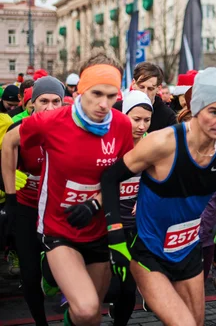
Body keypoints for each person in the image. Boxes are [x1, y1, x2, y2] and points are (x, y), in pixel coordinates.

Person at [100, 68, 216, 326]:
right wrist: (114, 235)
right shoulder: (163, 143)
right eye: (214, 112)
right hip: (148, 252)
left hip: (188, 251)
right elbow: (110, 178)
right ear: (196, 110)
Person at [1, 57, 134, 326]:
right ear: (79, 92)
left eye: (111, 95)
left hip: (99, 229)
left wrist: (95, 204)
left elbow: (123, 174)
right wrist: (12, 195)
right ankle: (50, 273)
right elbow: (9, 143)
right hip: (59, 228)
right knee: (85, 309)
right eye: (96, 93)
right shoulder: (52, 121)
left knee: (92, 313)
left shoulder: (121, 125)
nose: (103, 104)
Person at [1, 76, 65, 326]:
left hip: (59, 210)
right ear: (32, 103)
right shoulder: (18, 130)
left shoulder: (73, 128)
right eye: (43, 101)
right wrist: (9, 194)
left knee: (62, 273)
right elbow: (4, 164)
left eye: (55, 101)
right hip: (28, 207)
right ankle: (41, 323)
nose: (50, 107)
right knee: (29, 276)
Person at [104, 90, 153, 325]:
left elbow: (159, 180)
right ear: (123, 116)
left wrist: (144, 198)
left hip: (136, 226)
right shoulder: (109, 143)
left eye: (147, 120)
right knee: (109, 287)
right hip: (107, 224)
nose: (142, 126)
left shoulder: (153, 144)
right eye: (136, 119)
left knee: (127, 288)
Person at [113, 62, 177, 133]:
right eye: (141, 87)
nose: (145, 92)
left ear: (158, 89)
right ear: (133, 84)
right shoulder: (116, 109)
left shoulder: (168, 117)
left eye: (150, 89)